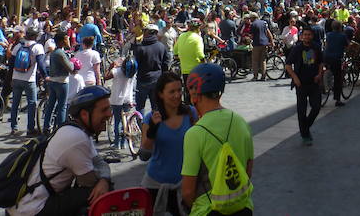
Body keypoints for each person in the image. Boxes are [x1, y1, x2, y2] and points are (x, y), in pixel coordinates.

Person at [8, 86, 114, 216]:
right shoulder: (77, 138)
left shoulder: (72, 129)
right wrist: (104, 180)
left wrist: (104, 177)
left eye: (109, 108)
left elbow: (98, 161)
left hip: (26, 203)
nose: (109, 114)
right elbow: (89, 181)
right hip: (32, 209)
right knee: (98, 192)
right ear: (84, 114)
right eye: (104, 110)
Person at [181, 63, 254, 215]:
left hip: (208, 210)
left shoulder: (194, 134)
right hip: (242, 207)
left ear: (195, 94)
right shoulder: (241, 122)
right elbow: (247, 170)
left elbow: (187, 192)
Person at [139, 72, 198, 213]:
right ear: (160, 94)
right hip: (155, 184)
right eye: (172, 91)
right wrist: (153, 129)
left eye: (179, 90)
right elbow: (144, 154)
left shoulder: (191, 113)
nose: (177, 95)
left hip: (185, 184)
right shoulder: (151, 118)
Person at [285, 27, 324, 145]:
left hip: (314, 82)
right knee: (301, 110)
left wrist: (319, 74)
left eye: (309, 35)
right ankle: (305, 135)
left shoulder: (316, 47)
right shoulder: (297, 49)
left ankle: (305, 127)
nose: (307, 37)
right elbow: (288, 65)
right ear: (302, 36)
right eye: (305, 35)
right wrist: (295, 78)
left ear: (312, 36)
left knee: (316, 107)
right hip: (301, 83)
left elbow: (321, 62)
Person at [9, 26, 48, 137]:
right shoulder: (38, 47)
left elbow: (11, 63)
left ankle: (14, 127)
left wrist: (11, 78)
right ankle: (30, 129)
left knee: (15, 103)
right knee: (32, 104)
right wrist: (45, 77)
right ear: (35, 36)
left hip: (16, 78)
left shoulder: (18, 46)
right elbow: (41, 65)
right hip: (29, 79)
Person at [133, 24, 170, 112]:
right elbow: (166, 64)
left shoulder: (140, 48)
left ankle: (141, 125)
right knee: (156, 107)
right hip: (157, 79)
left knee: (140, 107)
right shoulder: (161, 46)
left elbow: (135, 65)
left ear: (146, 33)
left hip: (143, 79)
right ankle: (155, 125)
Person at [43, 32, 74, 135]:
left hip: (53, 81)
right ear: (61, 41)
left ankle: (46, 126)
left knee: (51, 105)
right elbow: (70, 68)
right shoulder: (60, 53)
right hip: (62, 82)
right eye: (66, 39)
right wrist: (72, 62)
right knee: (62, 106)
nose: (67, 40)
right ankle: (61, 128)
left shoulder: (54, 52)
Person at [105, 56, 136, 150]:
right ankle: (124, 142)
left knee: (117, 120)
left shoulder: (116, 72)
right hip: (128, 99)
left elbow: (106, 77)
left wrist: (111, 67)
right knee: (125, 121)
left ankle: (117, 143)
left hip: (116, 99)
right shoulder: (133, 73)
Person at [175, 19, 207, 93]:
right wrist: (204, 63)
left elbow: (175, 50)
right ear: (197, 29)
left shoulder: (181, 36)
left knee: (187, 90)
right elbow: (200, 54)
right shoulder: (197, 38)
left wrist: (177, 56)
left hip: (184, 69)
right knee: (196, 91)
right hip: (196, 69)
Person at [323, 20, 349, 107]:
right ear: (340, 27)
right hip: (336, 59)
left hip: (327, 58)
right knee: (338, 79)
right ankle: (337, 99)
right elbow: (347, 47)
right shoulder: (342, 36)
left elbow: (326, 45)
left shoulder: (329, 35)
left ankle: (325, 87)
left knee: (328, 71)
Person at [249, 13, 273, 82]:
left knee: (255, 61)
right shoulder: (264, 23)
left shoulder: (253, 24)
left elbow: (251, 36)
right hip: (265, 43)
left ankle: (255, 76)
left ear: (252, 18)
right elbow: (268, 32)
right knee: (263, 60)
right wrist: (271, 41)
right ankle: (263, 76)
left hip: (257, 44)